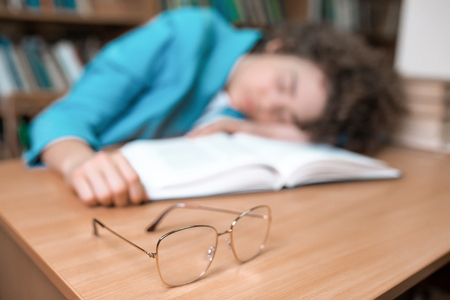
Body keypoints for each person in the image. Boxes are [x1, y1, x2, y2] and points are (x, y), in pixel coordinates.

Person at [24, 7, 404, 207]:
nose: (269, 105)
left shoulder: (246, 118)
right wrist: (78, 164)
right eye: (283, 84)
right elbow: (63, 117)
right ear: (280, 46)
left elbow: (347, 135)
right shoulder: (187, 34)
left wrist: (260, 129)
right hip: (72, 182)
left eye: (286, 116)